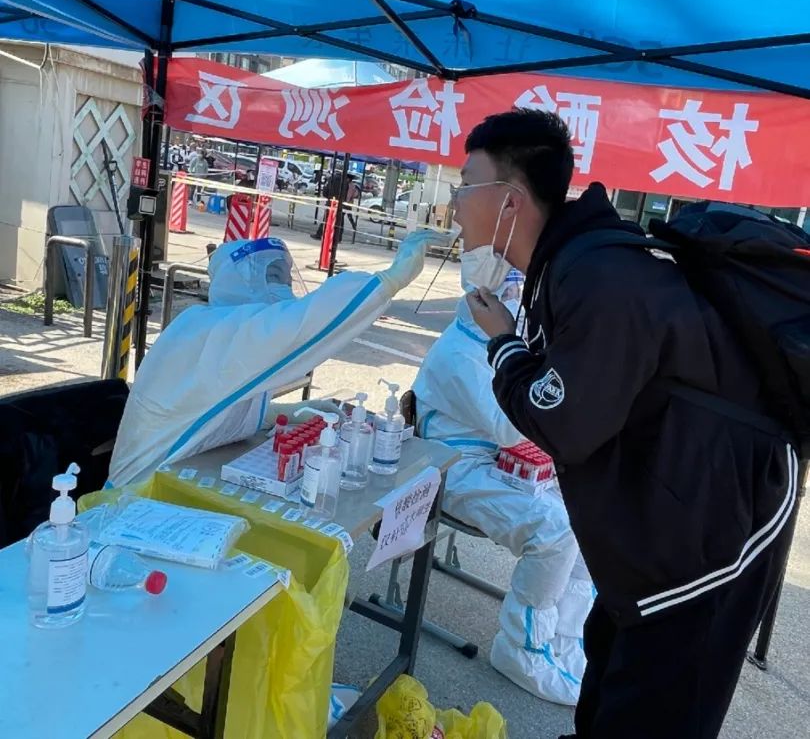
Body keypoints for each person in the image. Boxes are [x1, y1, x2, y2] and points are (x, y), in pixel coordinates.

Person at [456, 109, 796, 738]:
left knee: (657, 704)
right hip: (662, 517)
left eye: (464, 185)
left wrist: (503, 343)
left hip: (714, 529)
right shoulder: (571, 264)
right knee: (612, 667)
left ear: (509, 200)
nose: (454, 205)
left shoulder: (601, 276)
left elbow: (563, 419)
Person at [108, 229, 447, 486]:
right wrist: (388, 281)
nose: (283, 286)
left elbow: (215, 412)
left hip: (178, 482)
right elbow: (305, 324)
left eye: (284, 276)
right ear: (237, 282)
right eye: (272, 276)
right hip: (135, 495)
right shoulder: (209, 331)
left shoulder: (225, 332)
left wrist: (294, 412)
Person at [412, 271, 593, 705]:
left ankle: (565, 636)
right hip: (450, 466)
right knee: (554, 529)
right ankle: (522, 648)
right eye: (508, 294)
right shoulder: (461, 351)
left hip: (489, 457)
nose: (517, 304)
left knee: (590, 513)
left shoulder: (494, 342)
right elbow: (514, 423)